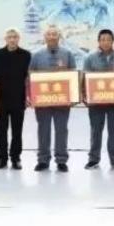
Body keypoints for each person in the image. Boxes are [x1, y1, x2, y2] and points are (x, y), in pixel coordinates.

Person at [29, 25, 76, 173]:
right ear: (45, 37)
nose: (51, 37)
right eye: (49, 34)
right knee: (43, 130)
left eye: (54, 34)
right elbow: (30, 77)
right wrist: (30, 96)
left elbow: (74, 76)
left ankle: (61, 160)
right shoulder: (36, 55)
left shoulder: (68, 54)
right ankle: (43, 160)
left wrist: (74, 96)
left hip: (62, 100)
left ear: (59, 37)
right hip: (42, 100)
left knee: (61, 130)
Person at [82, 29, 114, 171]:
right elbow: (84, 79)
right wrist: (84, 95)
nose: (106, 42)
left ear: (113, 41)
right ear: (98, 41)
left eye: (108, 39)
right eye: (103, 39)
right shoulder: (90, 58)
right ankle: (93, 159)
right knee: (96, 131)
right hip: (96, 102)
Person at [0, 27, 30, 170]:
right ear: (5, 39)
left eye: (15, 37)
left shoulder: (26, 55)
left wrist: (28, 96)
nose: (12, 39)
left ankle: (16, 158)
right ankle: (2, 158)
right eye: (10, 37)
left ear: (19, 39)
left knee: (17, 131)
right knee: (2, 131)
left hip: (18, 99)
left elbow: (28, 78)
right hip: (1, 99)